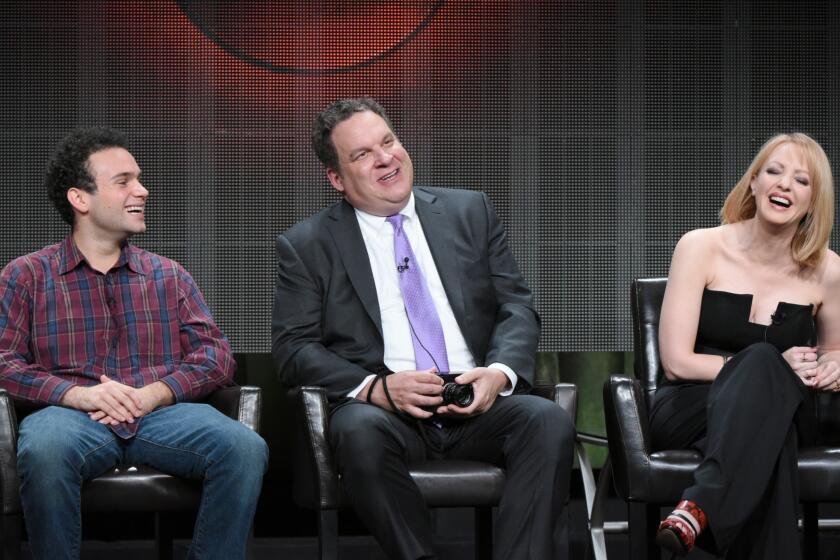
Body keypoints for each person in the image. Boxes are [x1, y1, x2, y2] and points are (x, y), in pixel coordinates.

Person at [272, 98, 574, 559]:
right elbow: (293, 350)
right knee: (357, 432)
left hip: (475, 398)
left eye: (388, 141)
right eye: (362, 155)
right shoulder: (307, 244)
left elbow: (517, 306)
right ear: (336, 178)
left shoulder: (469, 211)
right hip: (386, 409)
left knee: (547, 420)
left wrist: (498, 374)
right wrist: (375, 388)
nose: (385, 158)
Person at [0, 127, 268, 560]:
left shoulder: (169, 275)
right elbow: (4, 362)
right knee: (45, 449)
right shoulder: (26, 276)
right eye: (123, 181)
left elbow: (215, 356)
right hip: (68, 417)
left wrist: (153, 395)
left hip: (161, 415)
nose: (142, 190)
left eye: (139, 179)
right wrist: (78, 395)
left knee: (243, 446)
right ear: (80, 199)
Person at [651, 132, 840, 559]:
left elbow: (835, 350)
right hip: (689, 404)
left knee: (770, 418)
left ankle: (699, 510)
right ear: (752, 183)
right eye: (773, 172)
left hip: (785, 407)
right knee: (765, 376)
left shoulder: (829, 270)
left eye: (801, 180)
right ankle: (704, 506)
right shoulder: (700, 247)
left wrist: (833, 366)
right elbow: (677, 362)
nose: (785, 185)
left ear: (814, 200)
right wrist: (770, 366)